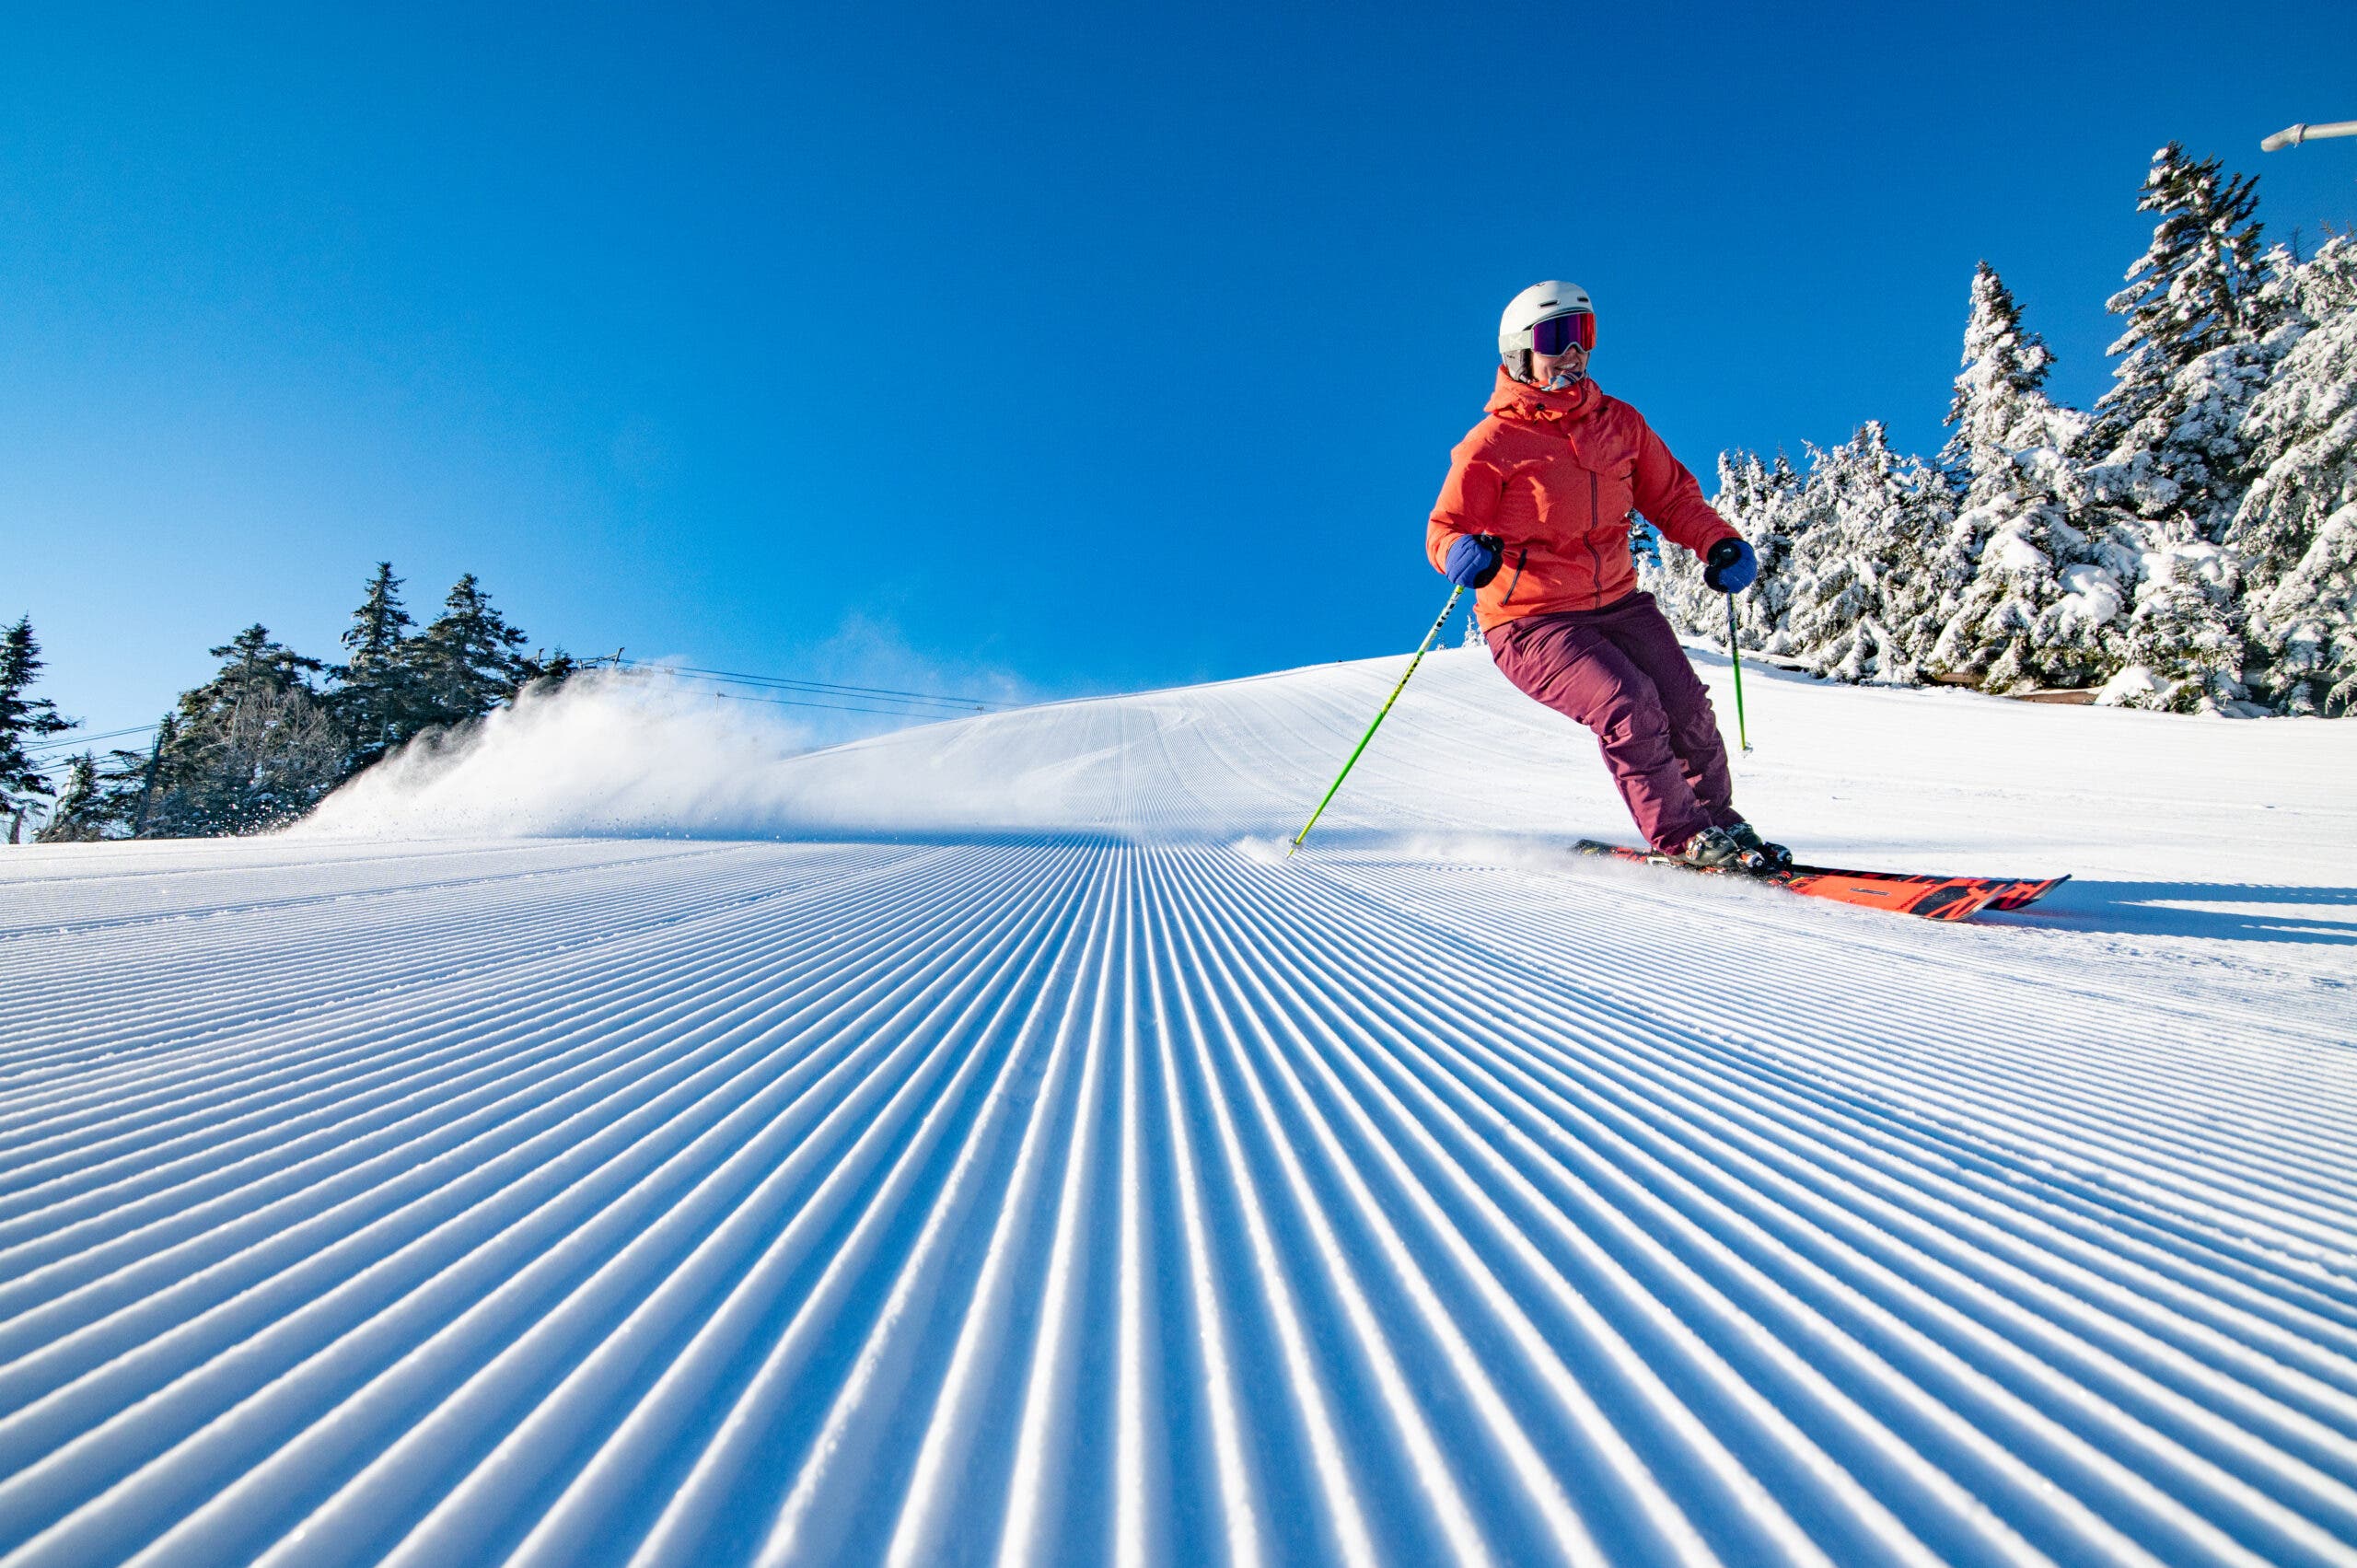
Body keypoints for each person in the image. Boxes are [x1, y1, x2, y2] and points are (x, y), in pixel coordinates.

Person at [1426, 280, 1789, 872]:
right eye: (1556, 338)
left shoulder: (1619, 423)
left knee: (1686, 706)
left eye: (1584, 335)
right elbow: (1444, 527)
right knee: (1628, 703)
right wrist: (1460, 552)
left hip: (1618, 603)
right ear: (1521, 353)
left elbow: (1672, 498)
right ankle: (1682, 835)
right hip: (1530, 621)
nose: (1574, 352)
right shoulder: (1493, 443)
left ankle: (1716, 820)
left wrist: (1717, 541)